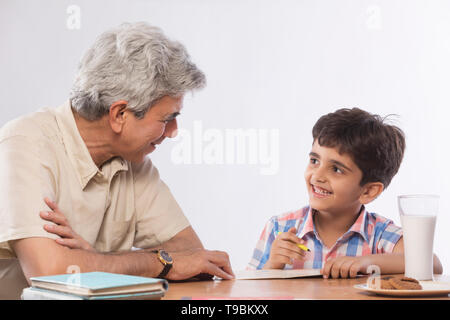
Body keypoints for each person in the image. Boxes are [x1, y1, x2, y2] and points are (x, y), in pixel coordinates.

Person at [0, 22, 234, 299]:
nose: (173, 133)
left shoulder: (133, 164)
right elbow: (50, 271)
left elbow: (193, 256)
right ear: (120, 114)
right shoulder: (25, 141)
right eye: (167, 119)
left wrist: (96, 257)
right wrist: (160, 262)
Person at [248, 108, 443, 278]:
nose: (317, 176)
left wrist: (366, 263)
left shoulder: (380, 235)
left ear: (368, 191)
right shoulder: (280, 228)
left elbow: (431, 263)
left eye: (336, 169)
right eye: (314, 160)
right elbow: (247, 291)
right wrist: (272, 265)